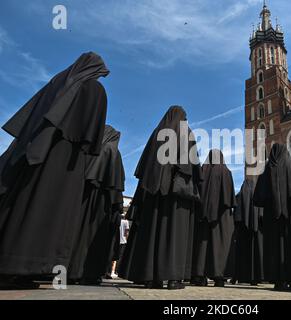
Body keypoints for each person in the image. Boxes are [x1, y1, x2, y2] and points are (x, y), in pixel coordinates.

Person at [0, 52, 109, 290]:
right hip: (67, 160)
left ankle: (10, 265)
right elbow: (91, 134)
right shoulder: (93, 89)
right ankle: (31, 268)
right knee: (53, 210)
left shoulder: (57, 83)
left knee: (23, 205)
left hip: (35, 152)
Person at [118, 106, 202, 290]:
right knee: (174, 235)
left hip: (154, 193)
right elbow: (192, 166)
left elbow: (146, 167)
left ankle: (151, 278)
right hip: (176, 195)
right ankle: (174, 279)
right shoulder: (185, 132)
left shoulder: (157, 134)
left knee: (153, 234)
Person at [68, 125, 125, 285]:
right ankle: (89, 273)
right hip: (101, 205)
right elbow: (116, 184)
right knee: (93, 239)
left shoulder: (88, 150)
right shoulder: (113, 152)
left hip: (80, 201)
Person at [253, 143, 291, 292]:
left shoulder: (267, 169)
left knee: (275, 246)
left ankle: (278, 280)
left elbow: (259, 196)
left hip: (273, 216)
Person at [192, 149, 237, 287]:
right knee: (220, 245)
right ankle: (219, 277)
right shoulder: (226, 171)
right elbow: (230, 196)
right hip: (222, 216)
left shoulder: (202, 170)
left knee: (203, 245)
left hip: (203, 214)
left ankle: (200, 275)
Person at [233, 179, 264, 286]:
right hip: (256, 231)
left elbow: (236, 217)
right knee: (256, 252)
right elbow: (261, 215)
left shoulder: (239, 196)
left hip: (242, 231)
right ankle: (256, 277)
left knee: (242, 254)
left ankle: (241, 276)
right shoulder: (258, 195)